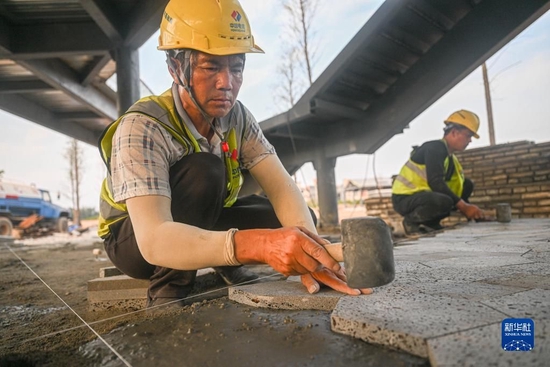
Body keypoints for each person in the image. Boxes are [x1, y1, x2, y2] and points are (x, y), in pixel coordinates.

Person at [97, 0, 371, 308]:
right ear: (176, 68)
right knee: (205, 170)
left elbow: (282, 189)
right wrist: (259, 245)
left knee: (293, 225)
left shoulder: (237, 117)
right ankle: (168, 290)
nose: (227, 83)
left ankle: (226, 262)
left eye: (236, 67)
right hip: (134, 240)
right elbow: (154, 239)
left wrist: (314, 255)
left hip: (200, 218)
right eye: (211, 66)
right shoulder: (142, 127)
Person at [391, 109, 486, 235]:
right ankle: (410, 222)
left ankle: (431, 223)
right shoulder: (435, 148)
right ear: (454, 132)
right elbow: (435, 182)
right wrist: (464, 207)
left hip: (422, 197)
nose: (470, 141)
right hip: (404, 199)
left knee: (466, 184)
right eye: (468, 135)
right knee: (444, 201)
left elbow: (458, 188)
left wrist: (472, 213)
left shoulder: (450, 157)